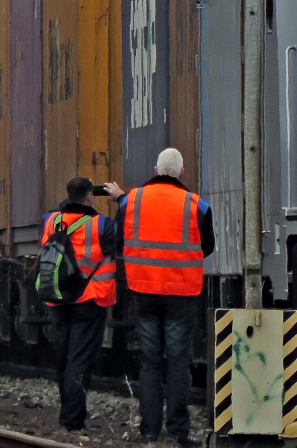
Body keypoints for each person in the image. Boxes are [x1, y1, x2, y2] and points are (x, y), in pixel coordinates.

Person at [120, 148, 214, 447]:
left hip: (143, 291)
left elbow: (119, 239)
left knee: (150, 362)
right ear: (181, 173)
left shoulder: (131, 200)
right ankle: (178, 432)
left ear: (155, 168)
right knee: (177, 363)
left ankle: (149, 432)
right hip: (180, 294)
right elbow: (207, 246)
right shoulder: (197, 206)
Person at [40, 176, 122, 432]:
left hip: (58, 298)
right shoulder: (102, 225)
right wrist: (119, 199)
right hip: (90, 299)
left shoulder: (50, 220)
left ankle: (68, 414)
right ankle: (72, 421)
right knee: (80, 359)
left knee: (63, 358)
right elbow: (122, 239)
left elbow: (62, 208)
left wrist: (75, 198)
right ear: (90, 196)